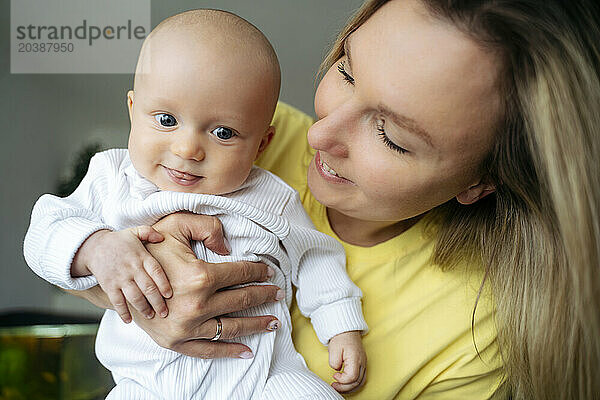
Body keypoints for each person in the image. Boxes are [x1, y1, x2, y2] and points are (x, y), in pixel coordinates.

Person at [43, 0, 600, 399]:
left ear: (481, 181)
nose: (318, 136)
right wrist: (136, 290)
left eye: (392, 137)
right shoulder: (242, 132)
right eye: (347, 71)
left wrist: (342, 326)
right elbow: (63, 230)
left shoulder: (473, 338)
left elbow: (316, 260)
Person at [23, 9, 370, 400]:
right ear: (133, 110)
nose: (187, 149)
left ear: (262, 145)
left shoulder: (271, 195)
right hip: (147, 383)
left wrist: (341, 326)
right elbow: (44, 230)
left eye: (223, 133)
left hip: (261, 377)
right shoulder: (112, 177)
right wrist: (97, 247)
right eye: (167, 120)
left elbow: (315, 258)